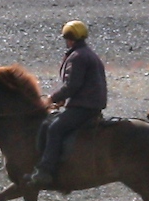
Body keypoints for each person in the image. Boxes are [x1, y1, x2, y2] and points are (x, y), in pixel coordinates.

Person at [26, 20, 107, 187]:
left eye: (66, 38)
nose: (66, 41)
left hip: (84, 107)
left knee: (55, 128)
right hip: (90, 104)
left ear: (70, 39)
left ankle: (46, 170)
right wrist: (64, 100)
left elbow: (72, 85)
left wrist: (51, 99)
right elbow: (81, 85)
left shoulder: (77, 57)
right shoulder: (88, 54)